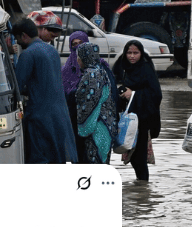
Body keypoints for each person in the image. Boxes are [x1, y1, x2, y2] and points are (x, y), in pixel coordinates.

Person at [12, 18, 77, 163]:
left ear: (23, 35)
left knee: (40, 159)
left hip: (39, 116)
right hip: (59, 115)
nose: (17, 42)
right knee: (56, 158)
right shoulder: (52, 51)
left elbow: (17, 86)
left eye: (17, 38)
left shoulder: (28, 54)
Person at [62, 31, 118, 161]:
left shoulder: (91, 75)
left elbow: (89, 105)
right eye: (74, 44)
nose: (76, 48)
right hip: (91, 125)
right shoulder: (97, 71)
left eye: (80, 43)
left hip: (91, 127)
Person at [113, 40, 162, 181]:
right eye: (129, 53)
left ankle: (143, 186)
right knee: (133, 157)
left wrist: (133, 94)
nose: (132, 56)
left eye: (136, 53)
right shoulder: (125, 68)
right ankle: (141, 188)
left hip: (143, 119)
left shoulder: (146, 69)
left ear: (141, 53)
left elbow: (156, 94)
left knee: (139, 157)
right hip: (130, 119)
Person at [75, 42, 119, 164]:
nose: (77, 60)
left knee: (94, 166)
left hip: (96, 127)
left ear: (84, 57)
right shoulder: (102, 71)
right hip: (107, 124)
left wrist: (81, 125)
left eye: (79, 56)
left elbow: (90, 103)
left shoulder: (91, 75)